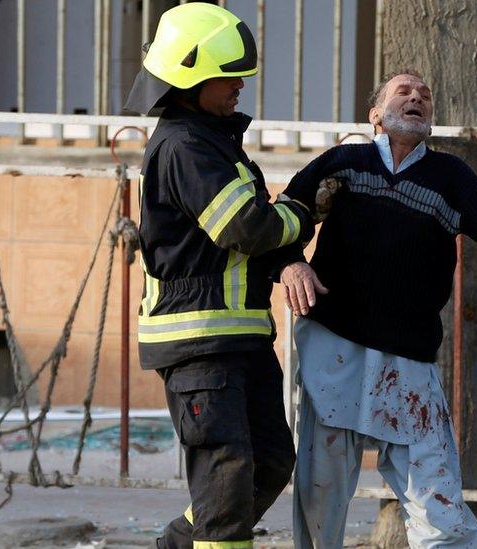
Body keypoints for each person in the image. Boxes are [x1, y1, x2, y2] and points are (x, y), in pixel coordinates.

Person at [280, 70, 477, 549]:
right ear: (375, 114)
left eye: (425, 95)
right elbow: (281, 216)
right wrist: (292, 264)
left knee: (437, 500)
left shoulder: (451, 176)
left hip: (409, 363)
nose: (417, 97)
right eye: (404, 91)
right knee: (321, 498)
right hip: (335, 349)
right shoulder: (344, 161)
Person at [123, 4, 314, 548]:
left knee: (271, 463)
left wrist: (288, 249)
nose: (238, 87)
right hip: (199, 345)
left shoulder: (211, 140)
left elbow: (251, 238)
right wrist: (304, 209)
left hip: (240, 338)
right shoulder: (184, 146)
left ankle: (178, 543)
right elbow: (246, 227)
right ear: (190, 77)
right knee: (226, 490)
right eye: (228, 77)